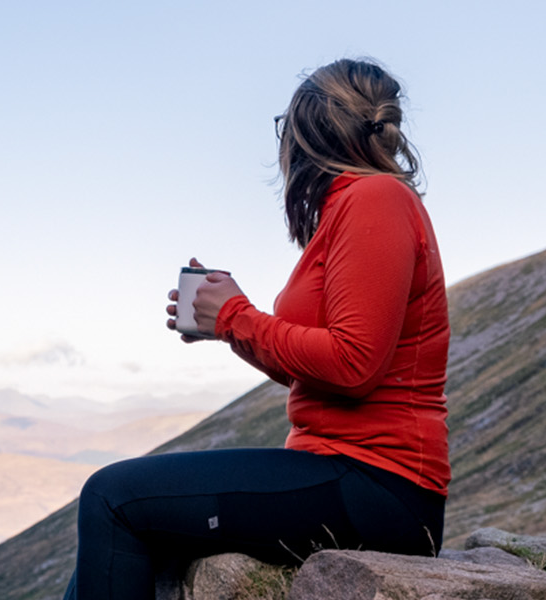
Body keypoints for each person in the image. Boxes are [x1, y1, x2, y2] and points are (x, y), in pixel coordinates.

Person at [63, 58, 450, 599]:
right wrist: (228, 327)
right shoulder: (351, 209)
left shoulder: (376, 200)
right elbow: (320, 374)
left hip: (381, 484)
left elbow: (353, 364)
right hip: (344, 472)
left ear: (308, 130)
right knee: (125, 511)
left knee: (112, 497)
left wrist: (235, 316)